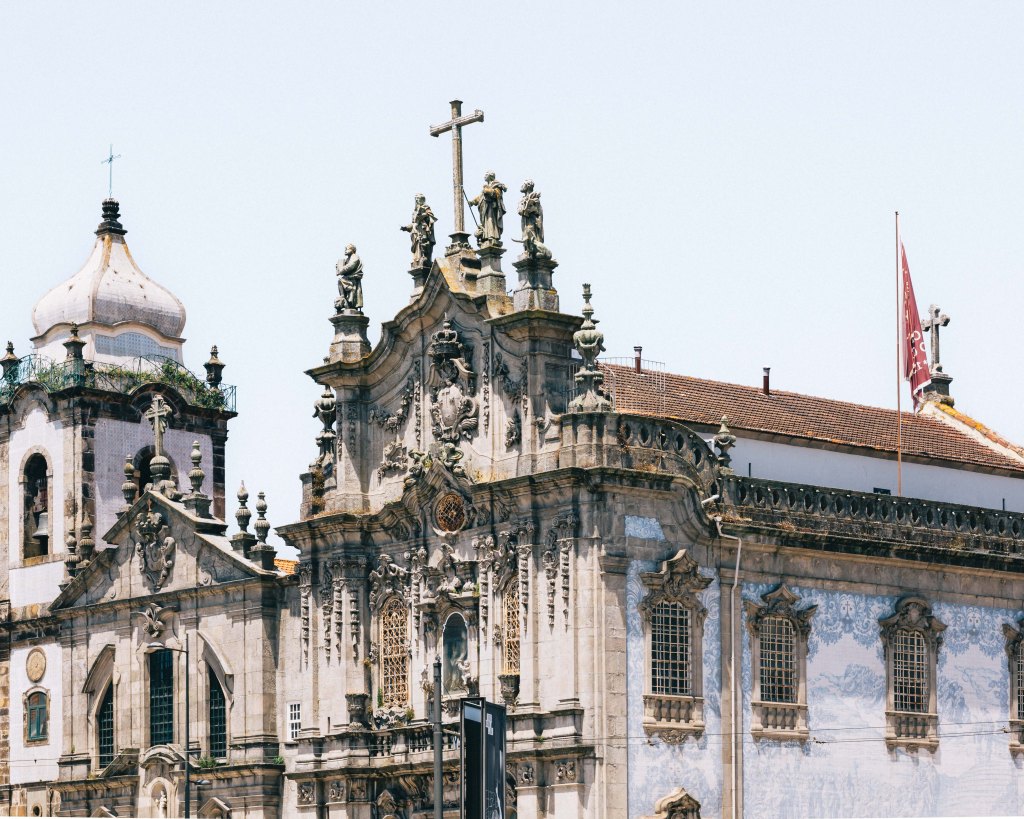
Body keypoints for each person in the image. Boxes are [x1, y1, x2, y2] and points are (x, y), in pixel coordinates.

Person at [468, 171, 507, 246]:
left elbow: (497, 194)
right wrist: (473, 202)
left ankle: (492, 235)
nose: (484, 176)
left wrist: (488, 191)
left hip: (492, 207)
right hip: (485, 208)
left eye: (486, 175)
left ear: (490, 176)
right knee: (486, 222)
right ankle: (486, 235)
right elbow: (481, 197)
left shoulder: (496, 185)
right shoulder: (487, 186)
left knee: (490, 221)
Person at [517, 179, 551, 260]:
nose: (522, 186)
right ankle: (527, 251)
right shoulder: (522, 199)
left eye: (524, 184)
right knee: (525, 235)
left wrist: (528, 208)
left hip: (532, 222)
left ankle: (532, 251)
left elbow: (536, 212)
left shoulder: (535, 199)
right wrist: (525, 208)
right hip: (525, 221)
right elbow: (520, 210)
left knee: (531, 235)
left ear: (528, 186)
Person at [400, 194, 437, 268]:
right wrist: (406, 227)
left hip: (423, 230)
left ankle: (425, 258)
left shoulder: (426, 208)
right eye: (416, 199)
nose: (416, 200)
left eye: (418, 198)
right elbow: (414, 223)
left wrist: (423, 216)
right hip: (415, 232)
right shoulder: (414, 212)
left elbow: (431, 218)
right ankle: (418, 259)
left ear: (422, 199)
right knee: (417, 246)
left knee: (424, 243)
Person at [335, 244, 363, 312]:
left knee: (341, 281)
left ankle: (347, 299)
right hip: (348, 278)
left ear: (352, 250)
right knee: (340, 281)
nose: (345, 251)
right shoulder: (347, 259)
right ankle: (343, 297)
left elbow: (350, 266)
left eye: (347, 249)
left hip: (352, 278)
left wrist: (341, 270)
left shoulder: (355, 257)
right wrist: (338, 266)